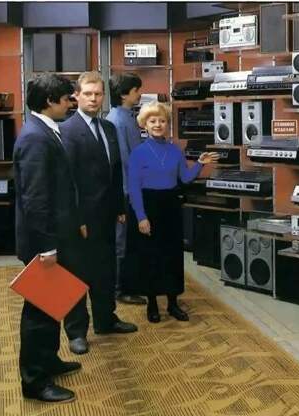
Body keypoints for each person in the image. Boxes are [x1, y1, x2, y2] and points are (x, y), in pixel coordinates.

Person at [13, 74, 83, 402]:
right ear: (50, 101)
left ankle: (49, 360)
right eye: (67, 99)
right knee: (39, 312)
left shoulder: (44, 130)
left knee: (52, 305)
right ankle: (35, 381)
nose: (71, 103)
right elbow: (35, 199)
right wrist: (47, 247)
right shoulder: (35, 138)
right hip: (43, 242)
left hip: (54, 237)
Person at [61, 72, 138, 355]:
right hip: (82, 219)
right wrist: (77, 218)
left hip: (107, 214)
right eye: (88, 94)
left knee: (105, 271)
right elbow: (67, 181)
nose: (93, 99)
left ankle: (106, 320)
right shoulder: (67, 130)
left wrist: (119, 207)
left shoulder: (108, 127)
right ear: (76, 96)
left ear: (104, 96)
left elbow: (115, 171)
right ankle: (76, 332)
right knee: (77, 274)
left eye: (98, 94)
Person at [126, 101, 219, 323]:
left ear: (168, 124)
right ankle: (152, 304)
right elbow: (133, 188)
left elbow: (185, 178)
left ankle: (173, 303)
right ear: (144, 125)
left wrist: (199, 164)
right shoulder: (138, 153)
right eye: (153, 121)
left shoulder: (175, 150)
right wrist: (141, 217)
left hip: (171, 207)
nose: (158, 125)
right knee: (151, 257)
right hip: (148, 206)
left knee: (173, 257)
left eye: (162, 121)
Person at [106, 73, 146, 305]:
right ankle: (120, 290)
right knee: (122, 242)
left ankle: (124, 286)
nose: (139, 94)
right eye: (136, 90)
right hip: (125, 190)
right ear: (124, 94)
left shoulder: (124, 117)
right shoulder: (118, 120)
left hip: (129, 188)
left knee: (127, 240)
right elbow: (124, 159)